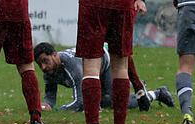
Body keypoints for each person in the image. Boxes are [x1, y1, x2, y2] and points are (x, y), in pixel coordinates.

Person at [33, 43, 174, 112]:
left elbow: (80, 102)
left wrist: (58, 110)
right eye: (40, 64)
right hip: (93, 66)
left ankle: (157, 93)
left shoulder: (71, 66)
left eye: (45, 61)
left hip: (104, 62)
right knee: (103, 102)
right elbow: (50, 98)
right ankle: (130, 86)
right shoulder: (49, 72)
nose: (43, 67)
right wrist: (45, 106)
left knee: (113, 102)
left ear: (55, 55)